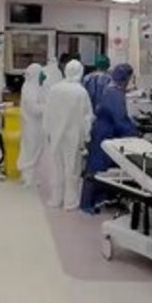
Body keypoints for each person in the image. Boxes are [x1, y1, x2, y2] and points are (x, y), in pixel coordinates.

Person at [81, 64, 137, 212]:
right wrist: (136, 134)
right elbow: (120, 119)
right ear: (125, 78)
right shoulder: (114, 93)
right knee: (96, 168)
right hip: (104, 133)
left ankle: (99, 199)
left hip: (104, 131)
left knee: (102, 167)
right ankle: (87, 204)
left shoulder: (111, 89)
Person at [43, 60, 94, 210]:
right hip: (74, 136)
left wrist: (47, 132)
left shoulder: (55, 89)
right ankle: (70, 202)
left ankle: (55, 199)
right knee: (72, 169)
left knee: (57, 167)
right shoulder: (81, 92)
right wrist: (86, 137)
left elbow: (47, 113)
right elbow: (87, 117)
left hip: (55, 135)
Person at [17, 63, 44, 187]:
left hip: (32, 124)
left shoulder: (31, 86)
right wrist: (48, 107)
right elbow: (34, 109)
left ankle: (31, 177)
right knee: (31, 151)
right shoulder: (30, 89)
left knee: (33, 150)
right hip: (32, 125)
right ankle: (28, 178)